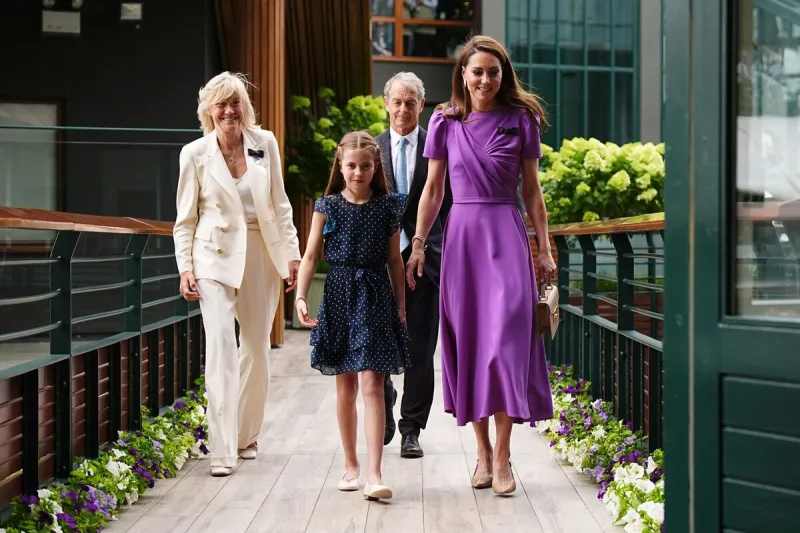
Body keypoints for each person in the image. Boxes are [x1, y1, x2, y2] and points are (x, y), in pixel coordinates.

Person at [405, 35, 558, 495]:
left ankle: (505, 454)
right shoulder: (444, 121)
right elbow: (434, 190)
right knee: (470, 343)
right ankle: (483, 452)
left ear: (503, 75)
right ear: (464, 75)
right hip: (462, 240)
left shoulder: (522, 119)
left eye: (493, 72)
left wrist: (544, 247)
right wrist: (418, 243)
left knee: (507, 340)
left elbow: (531, 190)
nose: (485, 80)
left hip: (506, 236)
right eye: (477, 72)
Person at [173, 71, 302, 477]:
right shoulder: (194, 154)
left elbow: (280, 205)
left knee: (257, 349)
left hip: (260, 253)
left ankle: (246, 435)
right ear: (208, 110)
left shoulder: (265, 143)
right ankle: (222, 448)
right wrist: (185, 267)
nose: (229, 111)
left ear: (245, 107)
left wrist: (292, 255)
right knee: (221, 348)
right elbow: (184, 220)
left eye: (236, 103)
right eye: (222, 104)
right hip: (212, 257)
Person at [295, 131, 411, 500]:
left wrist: (401, 306)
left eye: (365, 166)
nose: (358, 173)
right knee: (345, 386)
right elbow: (310, 256)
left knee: (373, 383)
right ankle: (350, 465)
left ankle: (375, 473)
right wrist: (300, 296)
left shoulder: (388, 206)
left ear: (376, 167)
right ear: (340, 166)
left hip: (375, 296)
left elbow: (395, 261)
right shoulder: (326, 206)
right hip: (338, 294)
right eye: (351, 166)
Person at [377, 72, 452, 457]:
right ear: (386, 104)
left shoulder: (438, 146)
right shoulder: (371, 149)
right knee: (379, 339)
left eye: (411, 102)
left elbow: (449, 203)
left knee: (422, 347)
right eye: (397, 101)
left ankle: (411, 429)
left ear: (422, 105)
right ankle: (384, 397)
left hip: (428, 258)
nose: (403, 109)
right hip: (379, 261)